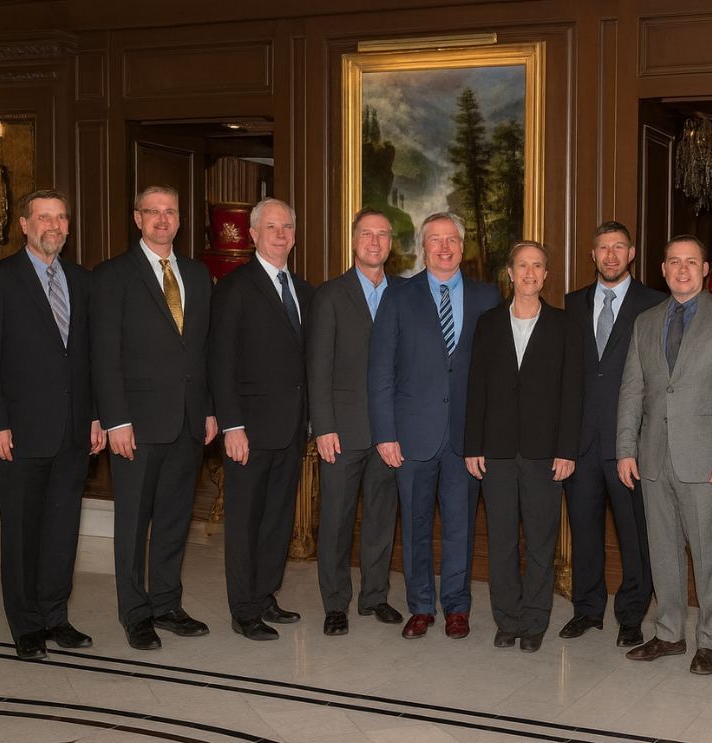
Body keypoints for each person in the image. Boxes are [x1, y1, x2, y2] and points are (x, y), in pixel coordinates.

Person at [616, 234, 712, 675]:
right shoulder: (645, 322)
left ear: (705, 268)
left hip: (705, 460)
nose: (681, 270)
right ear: (662, 269)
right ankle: (669, 633)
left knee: (710, 554)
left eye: (690, 262)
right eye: (673, 262)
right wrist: (625, 448)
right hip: (653, 457)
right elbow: (632, 389)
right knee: (663, 553)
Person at [0, 190, 106, 659]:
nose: (53, 225)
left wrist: (95, 415)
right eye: (43, 217)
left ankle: (56, 615)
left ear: (68, 227)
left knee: (61, 528)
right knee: (21, 531)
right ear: (24, 224)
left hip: (74, 431)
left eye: (60, 218)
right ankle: (26, 624)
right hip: (19, 431)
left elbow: (88, 358)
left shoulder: (82, 281)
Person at [91, 185, 217, 651]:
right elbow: (104, 355)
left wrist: (208, 409)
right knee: (132, 522)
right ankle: (135, 612)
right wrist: (115, 420)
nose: (163, 220)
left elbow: (202, 351)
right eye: (153, 212)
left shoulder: (199, 276)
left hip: (187, 421)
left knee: (173, 518)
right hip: (136, 425)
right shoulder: (113, 276)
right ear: (137, 218)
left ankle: (167, 603)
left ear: (180, 220)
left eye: (171, 212)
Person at [369, 212, 500, 640]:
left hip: (467, 437)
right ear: (423, 249)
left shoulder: (487, 297)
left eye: (451, 240)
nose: (444, 248)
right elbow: (381, 371)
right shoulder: (399, 296)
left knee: (462, 525)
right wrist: (385, 433)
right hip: (411, 434)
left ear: (463, 248)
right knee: (416, 523)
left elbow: (493, 374)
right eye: (435, 241)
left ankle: (457, 607)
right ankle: (421, 606)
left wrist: (486, 433)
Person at [464, 240, 583, 652]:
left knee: (540, 540)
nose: (530, 273)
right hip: (495, 452)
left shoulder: (565, 325)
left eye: (537, 266)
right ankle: (507, 619)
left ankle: (534, 621)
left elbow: (573, 394)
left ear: (546, 275)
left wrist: (567, 450)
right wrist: (472, 445)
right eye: (522, 266)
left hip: (544, 453)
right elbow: (476, 387)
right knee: (500, 541)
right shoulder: (488, 322)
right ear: (510, 273)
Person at [209, 197, 313, 641]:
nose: (280, 234)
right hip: (248, 430)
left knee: (277, 519)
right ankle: (243, 607)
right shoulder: (234, 288)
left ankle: (266, 593)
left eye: (287, 226)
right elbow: (221, 362)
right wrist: (232, 426)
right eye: (271, 227)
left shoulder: (305, 291)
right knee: (245, 521)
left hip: (291, 429)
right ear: (253, 235)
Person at [561, 221, 665, 647]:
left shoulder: (654, 304)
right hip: (581, 444)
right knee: (584, 531)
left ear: (632, 252)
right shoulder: (571, 305)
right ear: (592, 253)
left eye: (618, 247)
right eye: (603, 247)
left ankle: (631, 614)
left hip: (630, 445)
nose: (610, 255)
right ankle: (587, 610)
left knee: (634, 535)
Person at [307, 208, 405, 636]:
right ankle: (334, 603)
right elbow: (317, 367)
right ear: (353, 241)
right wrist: (323, 426)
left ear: (390, 244)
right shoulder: (330, 295)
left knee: (382, 518)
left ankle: (375, 597)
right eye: (367, 234)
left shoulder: (404, 293)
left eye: (383, 235)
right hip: (342, 431)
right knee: (336, 519)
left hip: (389, 432)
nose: (375, 242)